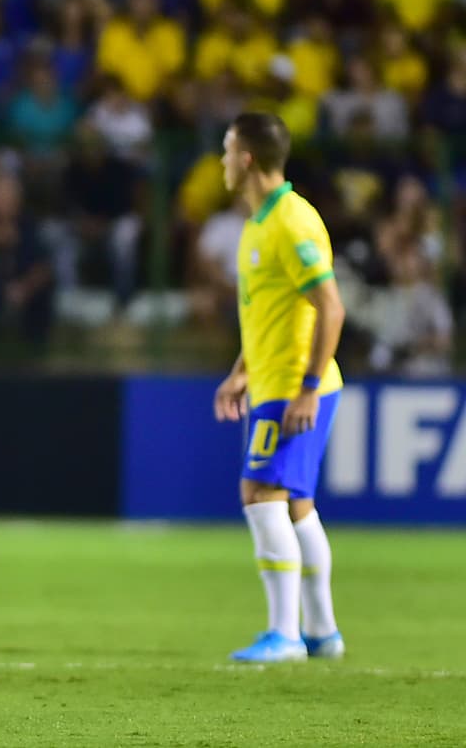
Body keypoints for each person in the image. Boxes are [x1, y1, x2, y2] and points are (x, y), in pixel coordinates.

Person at [213, 113, 346, 664]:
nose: (220, 160)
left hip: (294, 386)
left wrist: (309, 389)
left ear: (246, 158)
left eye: (226, 149)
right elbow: (270, 310)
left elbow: (331, 307)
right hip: (271, 379)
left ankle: (284, 635)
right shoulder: (259, 221)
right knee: (296, 506)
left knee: (260, 494)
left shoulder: (292, 222)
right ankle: (321, 632)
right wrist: (242, 369)